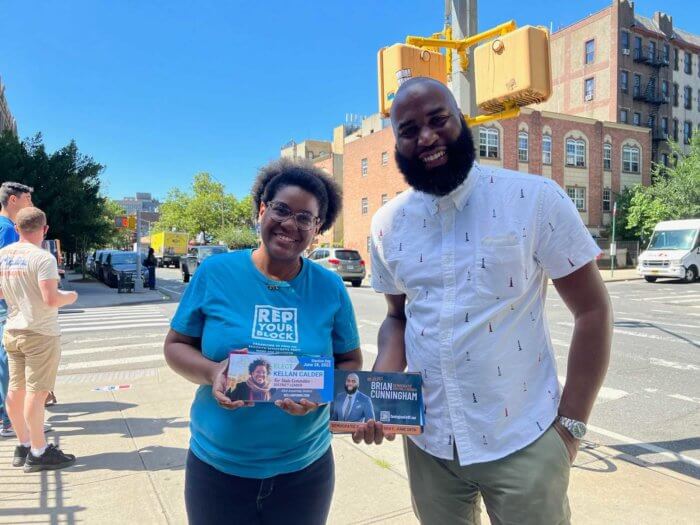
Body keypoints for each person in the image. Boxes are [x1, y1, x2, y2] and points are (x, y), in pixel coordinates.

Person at [370, 77, 613, 525]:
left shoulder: (534, 199)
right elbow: (397, 318)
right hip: (429, 445)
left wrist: (571, 427)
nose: (425, 136)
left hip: (522, 439)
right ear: (397, 143)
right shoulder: (387, 224)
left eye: (437, 120)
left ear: (461, 121)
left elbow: (593, 311)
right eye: (408, 130)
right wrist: (379, 392)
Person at [164, 158, 378, 525]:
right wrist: (213, 371)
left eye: (305, 218)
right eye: (281, 209)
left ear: (318, 229)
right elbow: (175, 346)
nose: (290, 225)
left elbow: (349, 362)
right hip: (217, 468)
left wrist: (322, 393)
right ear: (262, 209)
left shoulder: (329, 286)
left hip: (304, 471)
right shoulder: (215, 272)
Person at [0, 207, 78, 472]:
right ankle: (39, 451)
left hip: (12, 329)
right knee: (37, 392)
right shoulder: (43, 258)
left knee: (15, 389)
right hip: (39, 332)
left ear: (18, 228)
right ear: (44, 230)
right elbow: (51, 299)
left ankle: (23, 445)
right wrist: (71, 296)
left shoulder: (3, 256)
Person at [0, 182, 34, 438]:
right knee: (11, 361)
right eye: (27, 199)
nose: (30, 204)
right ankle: (11, 419)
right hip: (9, 305)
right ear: (13, 200)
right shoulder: (8, 231)